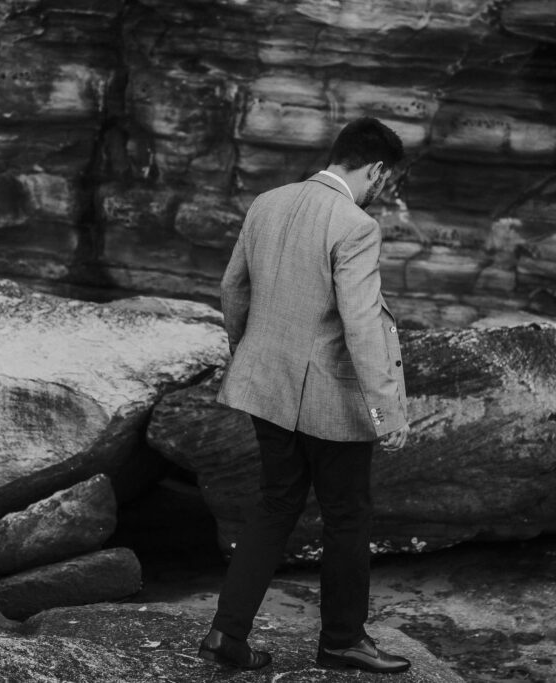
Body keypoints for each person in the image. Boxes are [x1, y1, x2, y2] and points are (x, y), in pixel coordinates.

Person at [198, 117, 411, 673]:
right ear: (376, 169)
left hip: (266, 388)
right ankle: (342, 640)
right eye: (386, 182)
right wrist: (387, 412)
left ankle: (227, 634)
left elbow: (232, 289)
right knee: (347, 515)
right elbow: (363, 324)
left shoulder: (267, 202)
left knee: (274, 504)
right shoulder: (356, 225)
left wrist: (248, 356)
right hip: (329, 402)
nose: (383, 193)